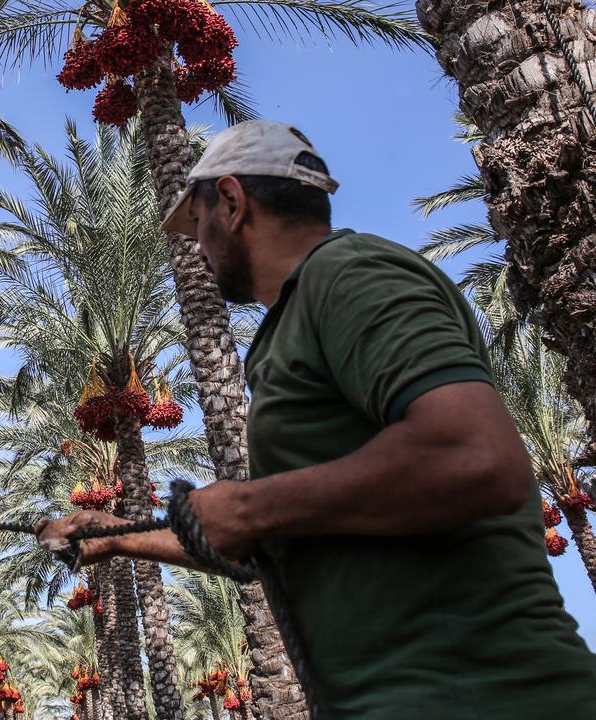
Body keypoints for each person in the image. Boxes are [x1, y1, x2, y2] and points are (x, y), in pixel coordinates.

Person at [35, 120, 596, 718]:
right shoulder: (295, 319)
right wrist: (117, 536)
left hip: (482, 695)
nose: (197, 248)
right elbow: (284, 531)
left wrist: (247, 505)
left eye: (197, 224)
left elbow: (476, 458)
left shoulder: (351, 275)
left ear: (231, 202)